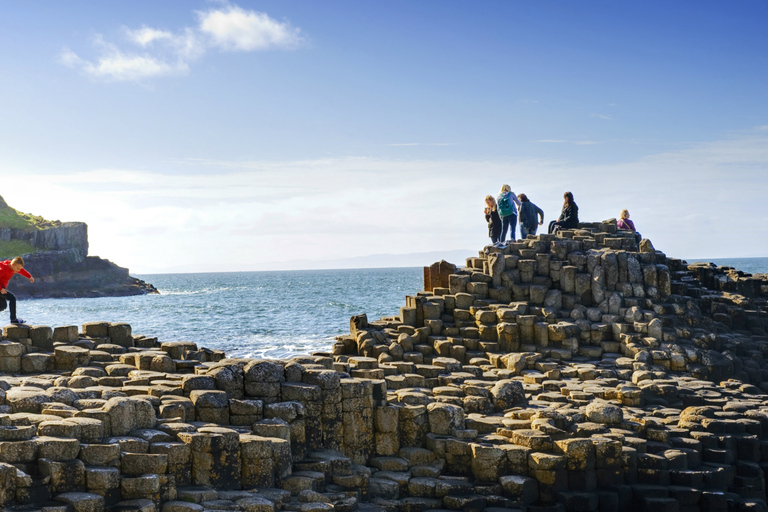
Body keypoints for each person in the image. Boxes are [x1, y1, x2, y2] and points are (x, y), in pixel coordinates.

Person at [0, 256, 34, 325]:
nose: (18, 271)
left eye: (19, 268)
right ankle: (13, 319)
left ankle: (13, 319)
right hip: (0, 287)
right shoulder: (3, 270)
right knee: (12, 298)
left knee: (3, 306)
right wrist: (1, 289)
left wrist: (29, 276)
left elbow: (22, 271)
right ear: (13, 265)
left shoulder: (13, 266)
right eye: (17, 268)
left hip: (2, 287)